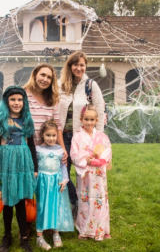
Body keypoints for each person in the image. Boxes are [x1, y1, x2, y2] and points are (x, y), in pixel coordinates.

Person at [0, 85, 38, 252]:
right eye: (13, 99)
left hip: (23, 165)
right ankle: (7, 235)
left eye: (19, 99)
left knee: (21, 202)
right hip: (6, 164)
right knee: (8, 202)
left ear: (24, 101)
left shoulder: (27, 120)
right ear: (6, 101)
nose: (16, 103)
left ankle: (24, 237)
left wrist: (35, 168)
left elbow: (31, 146)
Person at [58, 51, 105, 218]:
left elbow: (99, 111)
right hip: (61, 136)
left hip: (82, 138)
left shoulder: (90, 86)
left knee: (82, 173)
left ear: (85, 66)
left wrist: (97, 140)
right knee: (63, 171)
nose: (78, 68)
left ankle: (84, 208)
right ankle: (73, 202)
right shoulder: (61, 85)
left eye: (82, 65)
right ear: (70, 66)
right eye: (75, 64)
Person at [70, 104, 112, 241]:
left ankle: (101, 229)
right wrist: (84, 159)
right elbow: (74, 154)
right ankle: (85, 229)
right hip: (85, 174)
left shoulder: (102, 137)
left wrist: (97, 161)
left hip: (98, 173)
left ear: (96, 121)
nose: (89, 122)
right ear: (81, 119)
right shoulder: (77, 137)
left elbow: (107, 153)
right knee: (85, 199)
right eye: (86, 119)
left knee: (99, 199)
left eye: (91, 120)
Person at [35, 120, 74, 250]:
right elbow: (34, 167)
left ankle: (56, 234)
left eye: (53, 135)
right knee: (42, 207)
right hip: (43, 183)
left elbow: (63, 166)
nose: (51, 139)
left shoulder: (59, 150)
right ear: (42, 135)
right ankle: (39, 236)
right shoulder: (38, 149)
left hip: (56, 182)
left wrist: (65, 179)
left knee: (55, 207)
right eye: (48, 135)